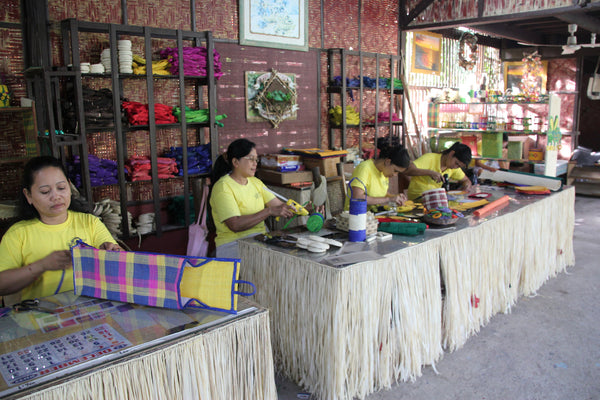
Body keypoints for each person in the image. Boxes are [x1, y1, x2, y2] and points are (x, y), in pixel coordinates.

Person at [0, 156, 121, 304]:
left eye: (61, 188)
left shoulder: (90, 223)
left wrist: (112, 253)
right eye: (45, 192)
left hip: (88, 310)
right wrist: (41, 266)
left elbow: (119, 264)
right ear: (28, 195)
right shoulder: (18, 234)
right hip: (41, 316)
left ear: (70, 187)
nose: (56, 196)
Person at [210, 139, 293, 258]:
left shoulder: (256, 183)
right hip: (233, 244)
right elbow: (235, 225)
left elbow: (281, 207)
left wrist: (306, 209)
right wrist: (268, 211)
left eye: (256, 159)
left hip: (258, 240)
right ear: (235, 162)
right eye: (251, 159)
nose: (255, 163)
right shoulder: (223, 187)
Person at [344, 144, 411, 210]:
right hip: (357, 215)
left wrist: (395, 197)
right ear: (388, 162)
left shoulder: (383, 172)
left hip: (373, 214)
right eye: (395, 171)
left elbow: (380, 194)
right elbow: (357, 197)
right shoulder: (364, 168)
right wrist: (389, 199)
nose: (395, 175)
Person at [404, 142, 473, 200]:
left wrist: (466, 185)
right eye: (456, 163)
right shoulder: (430, 158)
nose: (455, 167)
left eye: (459, 166)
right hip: (418, 198)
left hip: (435, 199)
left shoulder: (453, 168)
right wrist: (430, 173)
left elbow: (466, 180)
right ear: (451, 154)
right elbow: (407, 170)